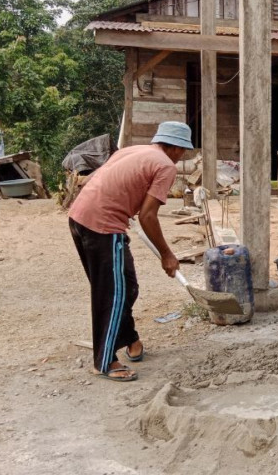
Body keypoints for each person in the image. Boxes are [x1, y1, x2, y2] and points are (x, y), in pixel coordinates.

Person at [67, 122, 192, 382]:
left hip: (79, 216)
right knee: (112, 295)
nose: (182, 157)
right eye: (183, 151)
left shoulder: (132, 150)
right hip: (103, 226)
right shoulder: (165, 166)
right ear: (176, 148)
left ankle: (129, 338)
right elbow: (148, 216)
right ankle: (105, 362)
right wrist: (167, 254)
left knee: (127, 286)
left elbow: (107, 182)